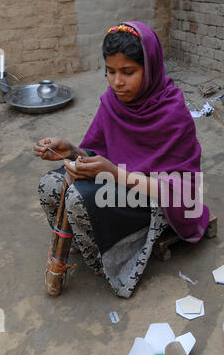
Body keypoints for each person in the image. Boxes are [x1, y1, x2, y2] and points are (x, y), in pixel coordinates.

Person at [34, 21, 210, 298]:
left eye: (128, 72)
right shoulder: (112, 102)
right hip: (117, 179)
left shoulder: (173, 114)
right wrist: (72, 151)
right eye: (110, 71)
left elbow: (181, 191)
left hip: (154, 199)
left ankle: (105, 262)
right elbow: (96, 153)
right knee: (52, 184)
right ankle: (88, 239)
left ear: (150, 68)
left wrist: (114, 174)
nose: (117, 82)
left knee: (78, 197)